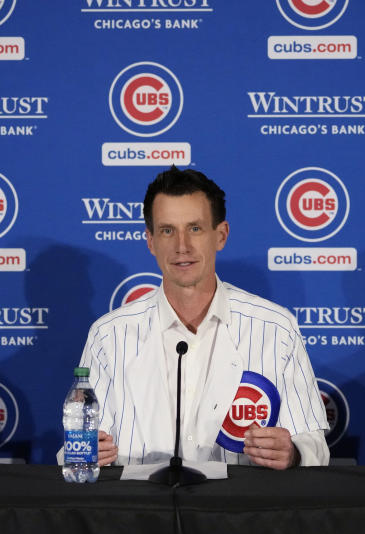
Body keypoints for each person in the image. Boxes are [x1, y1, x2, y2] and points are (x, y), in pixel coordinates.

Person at [80, 167, 329, 469]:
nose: (181, 246)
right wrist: (87, 453)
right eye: (167, 230)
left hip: (240, 512)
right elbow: (78, 449)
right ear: (150, 241)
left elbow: (315, 447)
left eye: (195, 228)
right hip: (139, 512)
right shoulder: (109, 336)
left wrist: (293, 453)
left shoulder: (276, 330)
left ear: (220, 235)